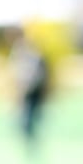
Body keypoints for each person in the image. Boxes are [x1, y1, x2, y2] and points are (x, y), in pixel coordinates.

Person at [8, 26, 52, 155]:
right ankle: (31, 144)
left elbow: (35, 72)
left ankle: (34, 145)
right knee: (24, 122)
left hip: (32, 91)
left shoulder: (27, 50)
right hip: (26, 91)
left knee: (30, 120)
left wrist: (27, 86)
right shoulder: (18, 50)